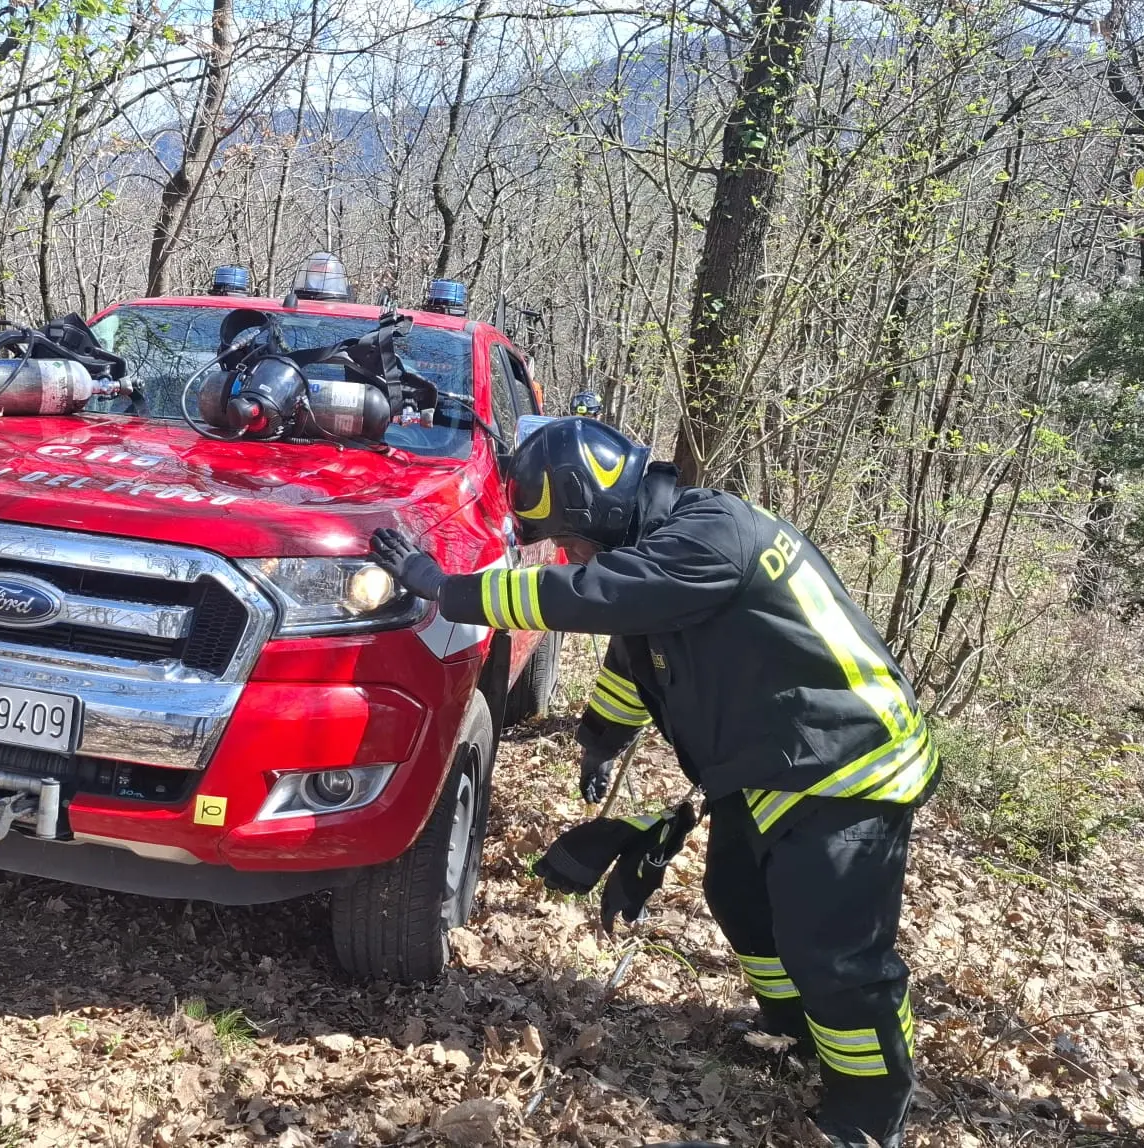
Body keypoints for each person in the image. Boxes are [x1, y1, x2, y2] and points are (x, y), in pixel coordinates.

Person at [369, 417, 937, 1148]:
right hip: (774, 764)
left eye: (570, 539)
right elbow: (634, 666)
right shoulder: (658, 564)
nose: (569, 554)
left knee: (837, 954)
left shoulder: (710, 537)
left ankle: (868, 1108)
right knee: (736, 894)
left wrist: (448, 590)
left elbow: (584, 596)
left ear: (597, 506)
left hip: (848, 761)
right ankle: (794, 1031)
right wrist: (599, 742)